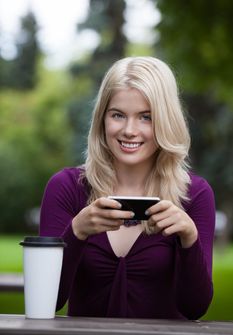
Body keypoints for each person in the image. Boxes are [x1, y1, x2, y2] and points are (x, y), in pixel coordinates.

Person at [39, 56, 215, 320]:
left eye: (146, 117)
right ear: (102, 120)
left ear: (166, 121)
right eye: (118, 115)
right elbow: (47, 301)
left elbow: (195, 308)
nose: (130, 130)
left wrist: (189, 238)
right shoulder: (66, 188)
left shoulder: (195, 195)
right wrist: (76, 232)